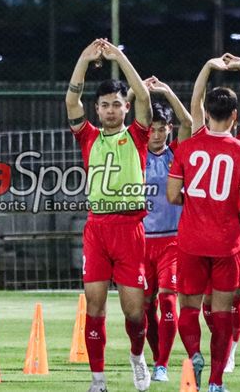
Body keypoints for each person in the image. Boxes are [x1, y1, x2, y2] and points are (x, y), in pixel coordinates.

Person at [65, 38, 153, 392]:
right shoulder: (88, 136)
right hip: (97, 229)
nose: (111, 110)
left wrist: (119, 56)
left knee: (134, 312)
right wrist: (84, 59)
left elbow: (145, 98)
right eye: (105, 105)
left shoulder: (138, 135)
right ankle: (98, 380)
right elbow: (71, 99)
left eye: (117, 104)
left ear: (124, 108)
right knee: (95, 306)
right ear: (98, 110)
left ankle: (136, 356)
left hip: (131, 229)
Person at [167, 71, 240, 392]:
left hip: (191, 240)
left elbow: (172, 195)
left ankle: (194, 354)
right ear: (234, 115)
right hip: (227, 242)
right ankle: (217, 382)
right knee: (222, 311)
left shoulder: (186, 148)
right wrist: (236, 225)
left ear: (205, 113)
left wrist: (206, 67)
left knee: (188, 307)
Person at [189, 53, 240, 374]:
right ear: (233, 115)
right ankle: (222, 350)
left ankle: (227, 350)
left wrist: (207, 66)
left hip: (205, 234)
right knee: (220, 299)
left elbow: (194, 102)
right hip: (232, 235)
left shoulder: (201, 139)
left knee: (229, 297)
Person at [140, 78, 192, 383]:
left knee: (168, 299)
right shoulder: (135, 153)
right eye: (153, 129)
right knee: (143, 306)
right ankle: (155, 356)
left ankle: (162, 364)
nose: (158, 134)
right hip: (140, 241)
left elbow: (188, 120)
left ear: (169, 130)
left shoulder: (177, 154)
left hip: (172, 240)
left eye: (163, 129)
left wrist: (167, 91)